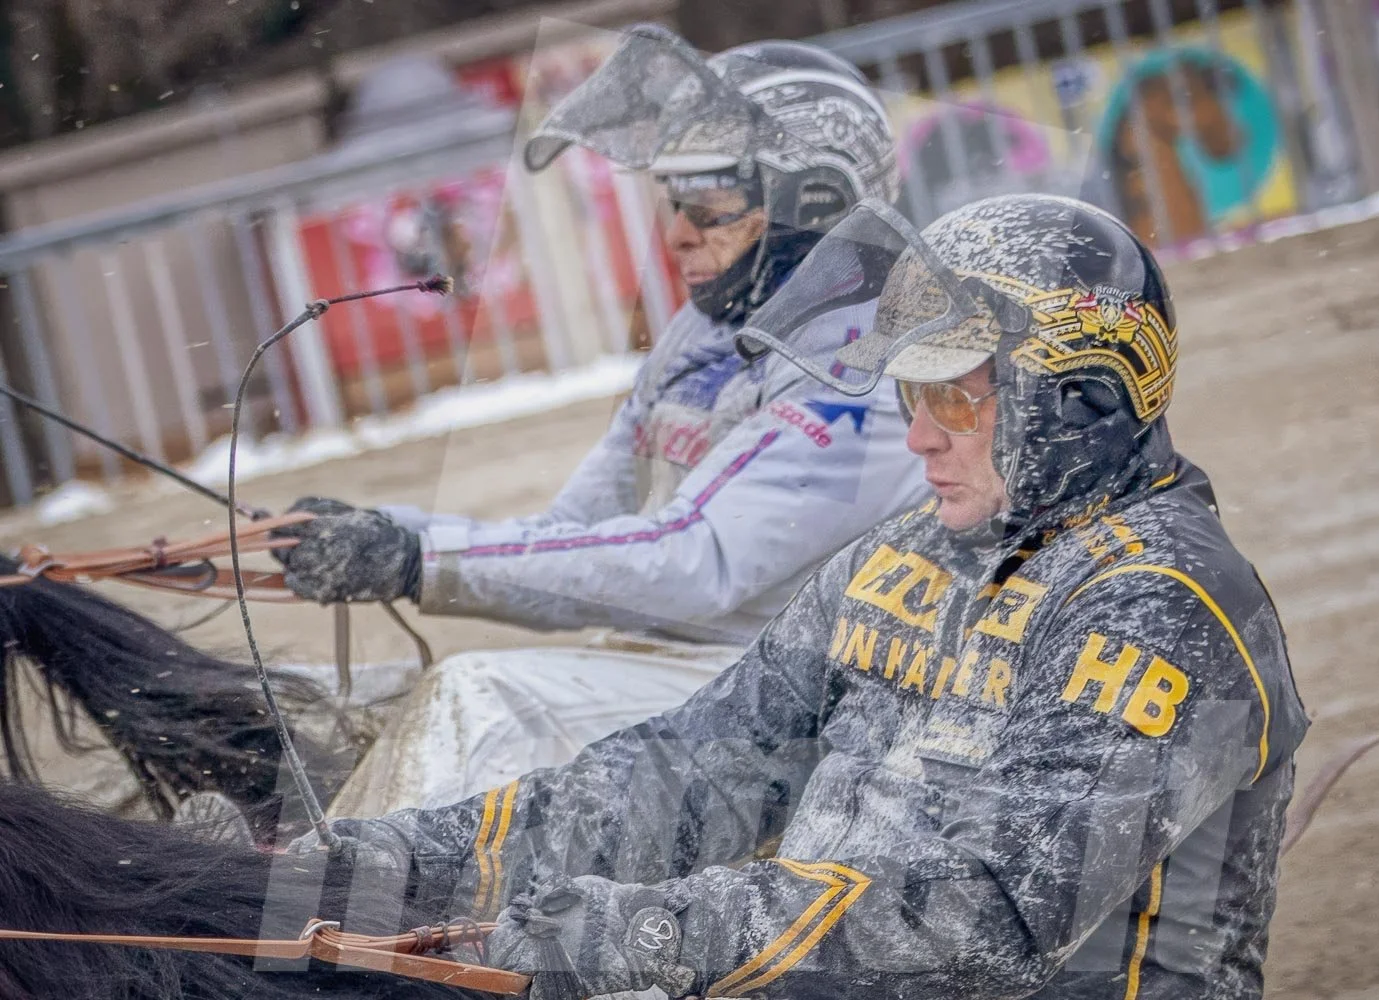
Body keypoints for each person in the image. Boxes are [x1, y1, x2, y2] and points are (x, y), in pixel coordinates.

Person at [297, 193, 1310, 999]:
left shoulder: (1165, 606)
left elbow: (989, 921)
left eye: (954, 393)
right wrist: (399, 858)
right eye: (910, 396)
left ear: (1077, 392)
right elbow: (693, 770)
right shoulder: (904, 557)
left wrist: (650, 932)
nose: (919, 436)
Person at [267, 28, 929, 812]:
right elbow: (576, 534)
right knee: (338, 704)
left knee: (476, 699)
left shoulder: (863, 359)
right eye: (675, 203)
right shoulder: (706, 331)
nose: (678, 232)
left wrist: (420, 558)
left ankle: (329, 913)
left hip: (791, 701)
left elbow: (693, 559)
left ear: (813, 206)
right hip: (677, 670)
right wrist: (386, 534)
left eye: (710, 208)